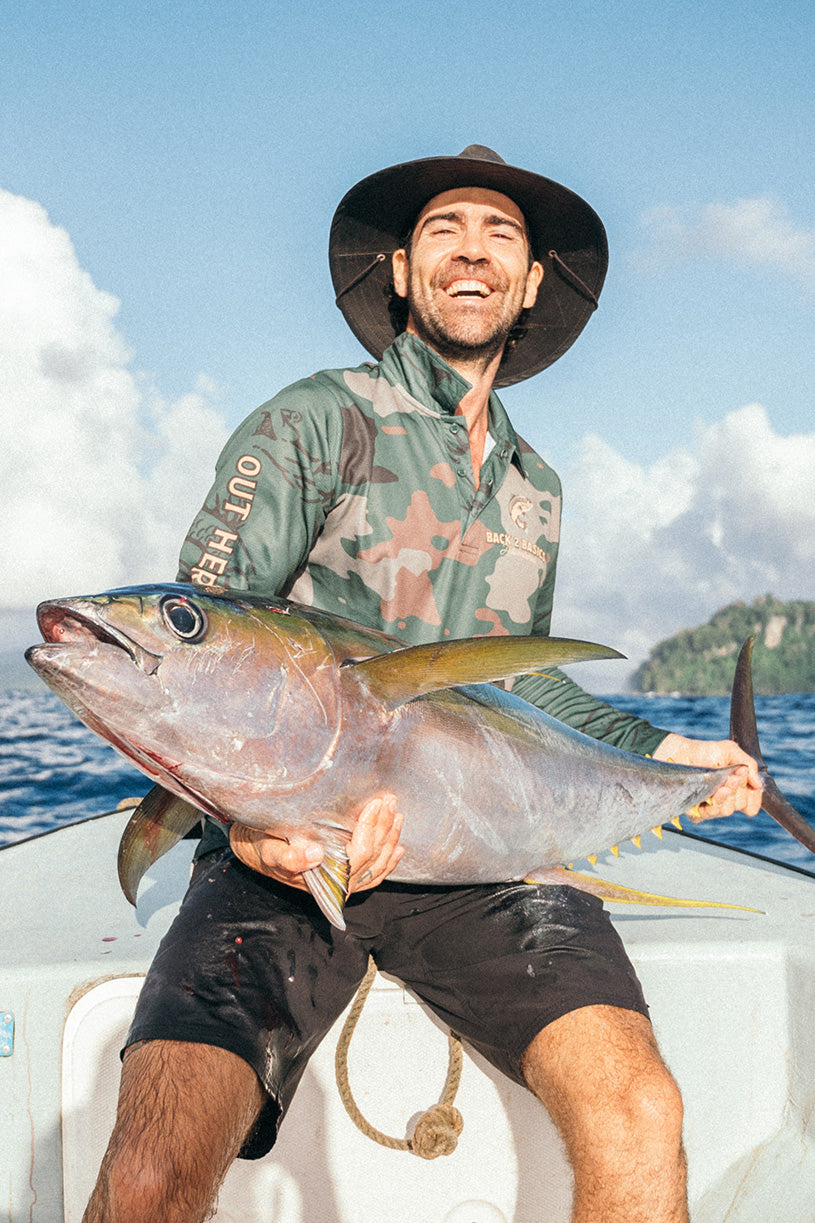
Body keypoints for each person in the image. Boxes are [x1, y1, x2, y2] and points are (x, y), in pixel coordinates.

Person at [84, 146, 762, 1223]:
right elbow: (199, 651)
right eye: (444, 229)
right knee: (148, 1171)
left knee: (637, 1108)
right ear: (400, 269)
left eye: (501, 235)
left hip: (481, 859)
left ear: (531, 282)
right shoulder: (314, 420)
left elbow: (530, 697)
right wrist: (249, 823)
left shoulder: (535, 486)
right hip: (280, 854)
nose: (472, 252)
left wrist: (668, 755)